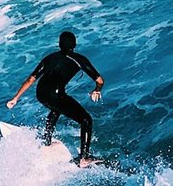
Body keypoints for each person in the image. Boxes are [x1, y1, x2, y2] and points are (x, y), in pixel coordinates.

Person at [7, 30, 105, 165]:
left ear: (59, 44)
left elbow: (31, 79)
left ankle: (46, 140)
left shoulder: (49, 58)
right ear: (75, 44)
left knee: (56, 108)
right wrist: (97, 90)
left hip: (41, 93)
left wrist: (16, 98)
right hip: (56, 94)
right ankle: (84, 157)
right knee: (86, 120)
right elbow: (100, 81)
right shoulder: (79, 60)